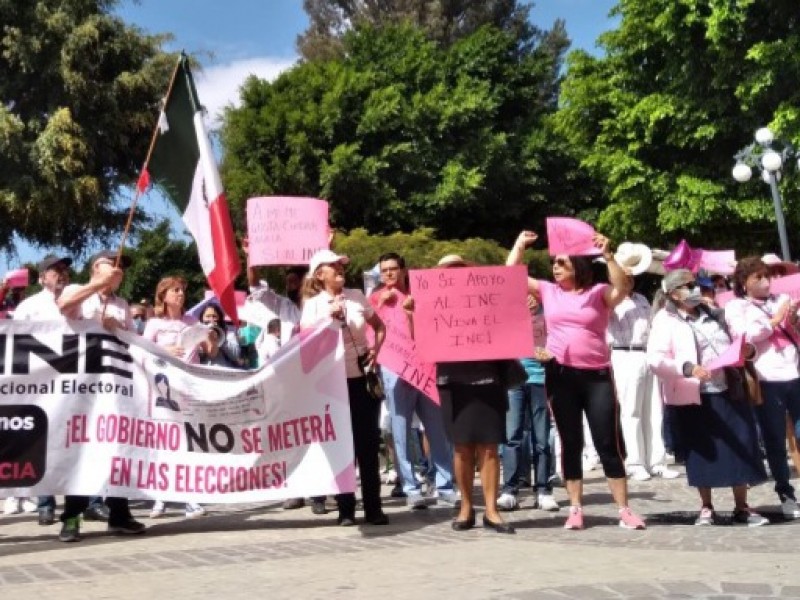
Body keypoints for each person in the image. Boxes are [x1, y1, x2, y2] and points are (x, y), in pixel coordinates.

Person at [507, 231, 646, 531]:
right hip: (561, 374)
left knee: (608, 442)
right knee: (570, 442)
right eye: (554, 263)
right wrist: (519, 246)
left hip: (597, 375)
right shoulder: (547, 291)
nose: (555, 267)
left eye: (561, 263)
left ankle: (624, 508)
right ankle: (575, 508)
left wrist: (609, 256)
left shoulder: (597, 293)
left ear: (578, 268)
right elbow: (511, 276)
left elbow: (621, 287)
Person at [647, 268, 769, 526]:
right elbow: (655, 359)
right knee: (702, 451)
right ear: (673, 293)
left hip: (728, 388)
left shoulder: (714, 313)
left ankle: (742, 507)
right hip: (695, 395)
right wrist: (688, 368)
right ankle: (706, 506)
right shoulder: (665, 320)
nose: (695, 290)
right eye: (688, 286)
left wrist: (748, 351)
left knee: (741, 445)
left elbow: (738, 341)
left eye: (696, 285)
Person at [52, 250, 146, 541]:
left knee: (118, 449)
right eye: (112, 265)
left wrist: (118, 328)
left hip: (115, 387)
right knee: (80, 450)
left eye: (121, 268)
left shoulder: (122, 305)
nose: (118, 271)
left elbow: (134, 342)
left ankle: (120, 514)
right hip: (82, 387)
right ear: (96, 268)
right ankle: (71, 518)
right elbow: (65, 305)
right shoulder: (77, 290)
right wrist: (96, 287)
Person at [429, 254, 516, 534]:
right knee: (462, 447)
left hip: (488, 377)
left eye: (459, 270)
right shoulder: (432, 303)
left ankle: (491, 510)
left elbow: (508, 303)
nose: (455, 276)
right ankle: (466, 506)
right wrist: (410, 314)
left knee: (490, 446)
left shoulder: (486, 298)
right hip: (452, 382)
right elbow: (422, 341)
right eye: (448, 272)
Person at [300, 249, 387, 526]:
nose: (339, 268)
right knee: (341, 448)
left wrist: (375, 349)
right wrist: (329, 318)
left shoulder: (357, 297)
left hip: (361, 380)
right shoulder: (313, 305)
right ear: (319, 274)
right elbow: (305, 345)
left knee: (368, 444)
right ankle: (346, 508)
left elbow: (380, 326)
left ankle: (374, 507)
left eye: (341, 264)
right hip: (331, 386)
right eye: (332, 265)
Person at [370, 252, 456, 510]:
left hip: (424, 367)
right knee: (400, 429)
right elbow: (369, 333)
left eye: (393, 269)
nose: (388, 274)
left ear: (403, 270)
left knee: (436, 430)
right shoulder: (375, 299)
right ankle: (410, 487)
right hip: (394, 370)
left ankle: (445, 485)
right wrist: (379, 307)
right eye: (384, 270)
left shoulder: (419, 296)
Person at [725, 256, 800, 519]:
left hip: (795, 372)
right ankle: (786, 492)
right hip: (767, 378)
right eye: (758, 277)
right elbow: (743, 337)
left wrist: (793, 319)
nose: (765, 281)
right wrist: (773, 321)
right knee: (775, 439)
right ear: (744, 283)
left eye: (767, 276)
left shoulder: (781, 300)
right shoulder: (737, 307)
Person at [606, 243, 678, 482]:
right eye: (626, 275)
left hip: (645, 353)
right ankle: (635, 461)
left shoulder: (642, 300)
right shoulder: (611, 300)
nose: (630, 279)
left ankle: (657, 461)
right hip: (623, 353)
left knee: (654, 410)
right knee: (631, 410)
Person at [142, 276, 208, 519]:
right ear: (164, 295)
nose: (180, 294)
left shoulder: (192, 321)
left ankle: (191, 497)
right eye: (175, 290)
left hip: (191, 387)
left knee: (190, 441)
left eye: (182, 290)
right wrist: (164, 351)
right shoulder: (154, 324)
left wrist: (208, 338)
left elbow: (209, 349)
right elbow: (142, 353)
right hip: (164, 391)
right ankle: (160, 497)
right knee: (164, 441)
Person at [498, 293, 559, 512]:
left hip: (540, 378)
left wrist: (550, 354)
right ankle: (509, 490)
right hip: (514, 379)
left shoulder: (549, 314)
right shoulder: (506, 313)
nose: (528, 298)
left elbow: (560, 340)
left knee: (542, 437)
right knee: (512, 436)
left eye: (532, 293)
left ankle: (543, 489)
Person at [197, 302, 242, 368]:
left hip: (223, 372)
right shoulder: (197, 335)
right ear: (202, 318)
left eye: (214, 316)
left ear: (219, 318)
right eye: (208, 316)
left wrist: (220, 339)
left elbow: (235, 354)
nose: (211, 319)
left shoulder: (229, 335)